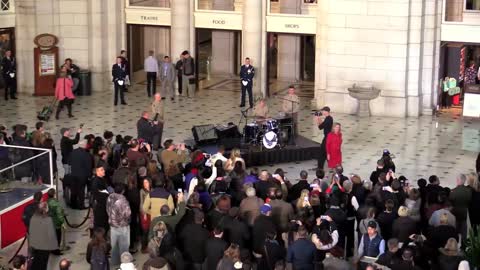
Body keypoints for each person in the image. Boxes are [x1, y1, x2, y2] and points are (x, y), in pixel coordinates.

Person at [107, 184, 132, 267]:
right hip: (122, 225)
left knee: (114, 246)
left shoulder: (110, 197)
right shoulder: (123, 200)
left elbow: (107, 209)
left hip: (112, 224)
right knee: (124, 245)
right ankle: (125, 264)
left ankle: (114, 263)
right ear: (123, 191)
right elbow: (128, 213)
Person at [29, 202, 59, 270]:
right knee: (43, 264)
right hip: (45, 247)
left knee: (36, 262)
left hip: (35, 245)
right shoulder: (48, 220)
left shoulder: (33, 217)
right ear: (45, 209)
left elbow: (31, 231)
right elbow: (51, 235)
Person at [449, 174, 472, 245]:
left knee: (454, 231)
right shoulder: (469, 191)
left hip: (455, 213)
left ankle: (454, 245)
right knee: (464, 231)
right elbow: (470, 201)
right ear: (464, 180)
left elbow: (450, 202)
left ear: (458, 180)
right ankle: (464, 246)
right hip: (465, 213)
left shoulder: (453, 191)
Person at [69, 139, 93, 209]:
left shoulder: (73, 152)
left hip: (73, 174)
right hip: (82, 176)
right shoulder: (87, 155)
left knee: (73, 190)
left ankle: (73, 205)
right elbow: (89, 167)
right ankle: (80, 205)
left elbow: (69, 162)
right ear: (85, 146)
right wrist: (89, 176)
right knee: (81, 191)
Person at [47, 188, 65, 255]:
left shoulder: (47, 202)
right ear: (54, 194)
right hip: (56, 224)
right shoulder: (56, 204)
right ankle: (56, 251)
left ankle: (51, 249)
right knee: (58, 237)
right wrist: (62, 222)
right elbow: (59, 214)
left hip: (49, 223)